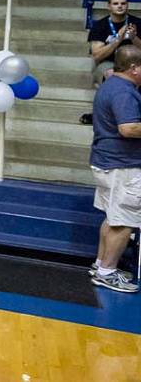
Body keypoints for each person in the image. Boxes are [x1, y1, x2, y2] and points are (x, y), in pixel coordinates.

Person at [89, 44, 141, 293]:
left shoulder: (110, 84)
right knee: (124, 221)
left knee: (112, 216)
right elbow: (128, 128)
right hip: (123, 166)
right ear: (134, 68)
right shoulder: (124, 92)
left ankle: (101, 265)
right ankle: (107, 273)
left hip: (106, 162)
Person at [89, 0, 141, 87]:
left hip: (134, 63)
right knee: (113, 77)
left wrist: (134, 38)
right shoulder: (99, 26)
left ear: (127, 5)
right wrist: (118, 39)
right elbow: (97, 56)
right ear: (109, 6)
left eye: (123, 3)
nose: (120, 6)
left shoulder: (138, 23)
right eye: (116, 4)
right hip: (109, 63)